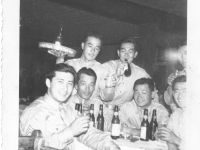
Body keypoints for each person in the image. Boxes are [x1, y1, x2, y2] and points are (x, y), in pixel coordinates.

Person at [20, 63, 120, 150]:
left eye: (69, 83)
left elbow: (87, 132)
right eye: (60, 82)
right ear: (48, 83)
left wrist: (109, 145)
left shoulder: (66, 109)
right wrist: (70, 131)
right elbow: (36, 146)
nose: (65, 88)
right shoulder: (35, 112)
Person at [97, 37, 156, 130]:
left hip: (124, 115)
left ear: (135, 54)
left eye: (130, 52)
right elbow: (105, 97)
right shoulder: (107, 67)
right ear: (118, 53)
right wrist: (116, 76)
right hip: (104, 111)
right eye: (123, 51)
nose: (126, 55)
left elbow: (153, 91)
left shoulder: (140, 72)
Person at [53, 31, 107, 99]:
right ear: (83, 45)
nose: (93, 51)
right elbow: (57, 83)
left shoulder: (102, 70)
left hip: (89, 108)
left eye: (96, 48)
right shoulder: (70, 64)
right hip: (68, 107)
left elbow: (106, 97)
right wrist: (59, 60)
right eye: (90, 46)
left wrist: (109, 88)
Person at [158, 75, 186, 150]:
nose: (180, 96)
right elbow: (168, 140)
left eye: (185, 91)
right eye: (177, 91)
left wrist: (176, 140)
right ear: (173, 94)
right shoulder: (176, 115)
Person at [164, 41, 187, 113]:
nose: (183, 57)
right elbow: (168, 101)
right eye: (179, 54)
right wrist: (171, 86)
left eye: (186, 53)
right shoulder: (178, 74)